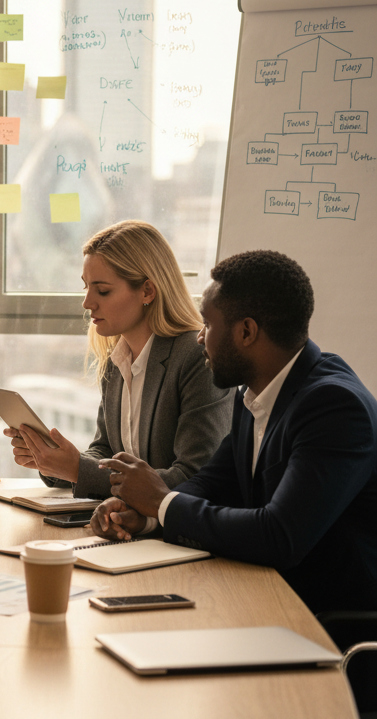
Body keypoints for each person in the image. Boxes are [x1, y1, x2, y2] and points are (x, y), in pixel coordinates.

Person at [93, 249, 377, 615]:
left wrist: (163, 504)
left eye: (207, 325)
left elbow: (279, 535)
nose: (198, 339)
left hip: (331, 622)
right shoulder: (254, 392)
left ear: (246, 331)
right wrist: (146, 516)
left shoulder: (334, 406)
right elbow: (214, 482)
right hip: (266, 596)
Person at [4, 220, 233, 498]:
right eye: (86, 287)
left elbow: (193, 477)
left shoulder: (195, 358)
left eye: (102, 290)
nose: (87, 303)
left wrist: (77, 469)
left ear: (148, 291)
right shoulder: (116, 359)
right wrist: (53, 461)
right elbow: (106, 450)